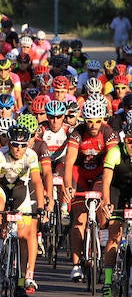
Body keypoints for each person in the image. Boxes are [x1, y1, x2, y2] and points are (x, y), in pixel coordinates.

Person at [0, 125, 46, 297]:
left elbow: (36, 182)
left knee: (26, 233)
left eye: (22, 145)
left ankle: (23, 279)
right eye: (15, 144)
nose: (18, 149)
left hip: (20, 189)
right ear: (9, 144)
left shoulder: (31, 156)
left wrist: (41, 207)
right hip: (1, 187)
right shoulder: (0, 155)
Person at [62, 101, 117, 282]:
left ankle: (101, 239)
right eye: (90, 121)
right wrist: (68, 186)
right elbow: (69, 162)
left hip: (100, 173)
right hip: (81, 174)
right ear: (84, 120)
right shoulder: (77, 133)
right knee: (79, 220)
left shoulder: (109, 134)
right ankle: (76, 266)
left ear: (103, 120)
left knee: (103, 214)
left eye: (97, 121)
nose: (93, 125)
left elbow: (111, 164)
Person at [100, 122, 132, 297]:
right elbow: (106, 180)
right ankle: (107, 282)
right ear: (124, 140)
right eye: (129, 141)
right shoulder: (115, 152)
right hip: (117, 192)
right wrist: (106, 202)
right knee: (114, 234)